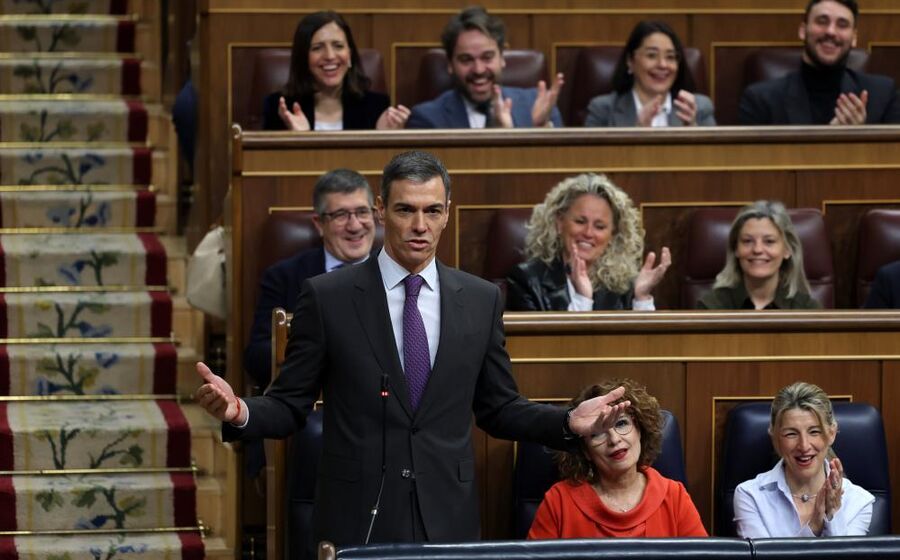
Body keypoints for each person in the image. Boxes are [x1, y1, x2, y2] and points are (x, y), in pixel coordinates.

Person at [194, 150, 630, 554]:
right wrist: (239, 412)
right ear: (382, 210)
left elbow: (499, 408)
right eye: (406, 209)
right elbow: (290, 404)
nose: (419, 225)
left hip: (447, 515)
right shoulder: (328, 297)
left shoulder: (480, 299)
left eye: (432, 210)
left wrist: (567, 422)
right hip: (356, 516)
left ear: (447, 214)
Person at [243, 168, 377, 387]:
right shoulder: (284, 276)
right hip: (312, 401)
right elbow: (257, 356)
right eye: (341, 215)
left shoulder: (398, 273)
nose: (354, 226)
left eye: (362, 212)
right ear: (319, 224)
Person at [528, 378, 706, 538]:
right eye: (597, 434)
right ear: (585, 451)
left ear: (640, 431)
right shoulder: (558, 501)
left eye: (621, 423)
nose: (614, 440)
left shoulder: (674, 497)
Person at [506, 173, 670, 311]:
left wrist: (641, 298)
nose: (588, 233)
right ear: (559, 223)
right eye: (580, 221)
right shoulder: (527, 280)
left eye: (599, 226)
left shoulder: (624, 286)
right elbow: (540, 347)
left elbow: (638, 347)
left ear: (612, 234)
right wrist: (582, 300)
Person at [733, 382, 874, 537]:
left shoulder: (859, 502)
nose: (804, 446)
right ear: (774, 438)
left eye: (814, 432)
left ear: (831, 434)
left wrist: (833, 516)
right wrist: (814, 526)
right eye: (791, 434)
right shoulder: (750, 496)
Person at [739, 0, 900, 125]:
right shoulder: (760, 100)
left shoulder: (884, 95)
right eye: (822, 21)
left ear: (854, 38)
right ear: (803, 31)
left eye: (842, 25)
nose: (831, 31)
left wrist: (860, 138)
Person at [406, 6, 563, 129]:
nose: (479, 70)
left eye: (487, 57)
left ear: (502, 58)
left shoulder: (538, 105)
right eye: (466, 59)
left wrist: (536, 129)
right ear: (450, 64)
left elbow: (561, 165)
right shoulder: (427, 118)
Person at [262, 11, 409, 131]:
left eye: (338, 46)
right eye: (317, 48)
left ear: (350, 55)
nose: (330, 56)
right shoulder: (281, 109)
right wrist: (298, 139)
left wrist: (385, 139)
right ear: (303, 58)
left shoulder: (376, 107)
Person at [584, 21, 716, 127]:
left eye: (670, 57)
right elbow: (591, 159)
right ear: (630, 61)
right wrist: (637, 133)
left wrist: (692, 130)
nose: (663, 65)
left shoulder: (699, 108)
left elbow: (716, 159)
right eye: (652, 55)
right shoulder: (603, 110)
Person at [697, 201, 821, 310]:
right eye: (747, 241)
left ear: (787, 250)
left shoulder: (806, 309)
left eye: (769, 241)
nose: (757, 249)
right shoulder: (712, 307)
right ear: (736, 249)